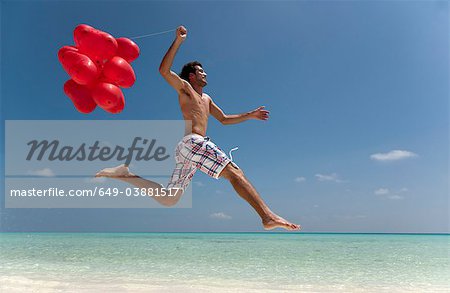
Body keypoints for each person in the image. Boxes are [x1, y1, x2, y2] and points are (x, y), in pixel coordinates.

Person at [96, 26, 300, 231]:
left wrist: (250, 115)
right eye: (201, 71)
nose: (205, 73)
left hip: (188, 150)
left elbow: (224, 119)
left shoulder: (207, 99)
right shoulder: (185, 89)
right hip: (193, 143)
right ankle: (267, 216)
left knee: (169, 199)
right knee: (234, 172)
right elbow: (164, 71)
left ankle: (125, 174)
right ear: (192, 76)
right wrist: (178, 41)